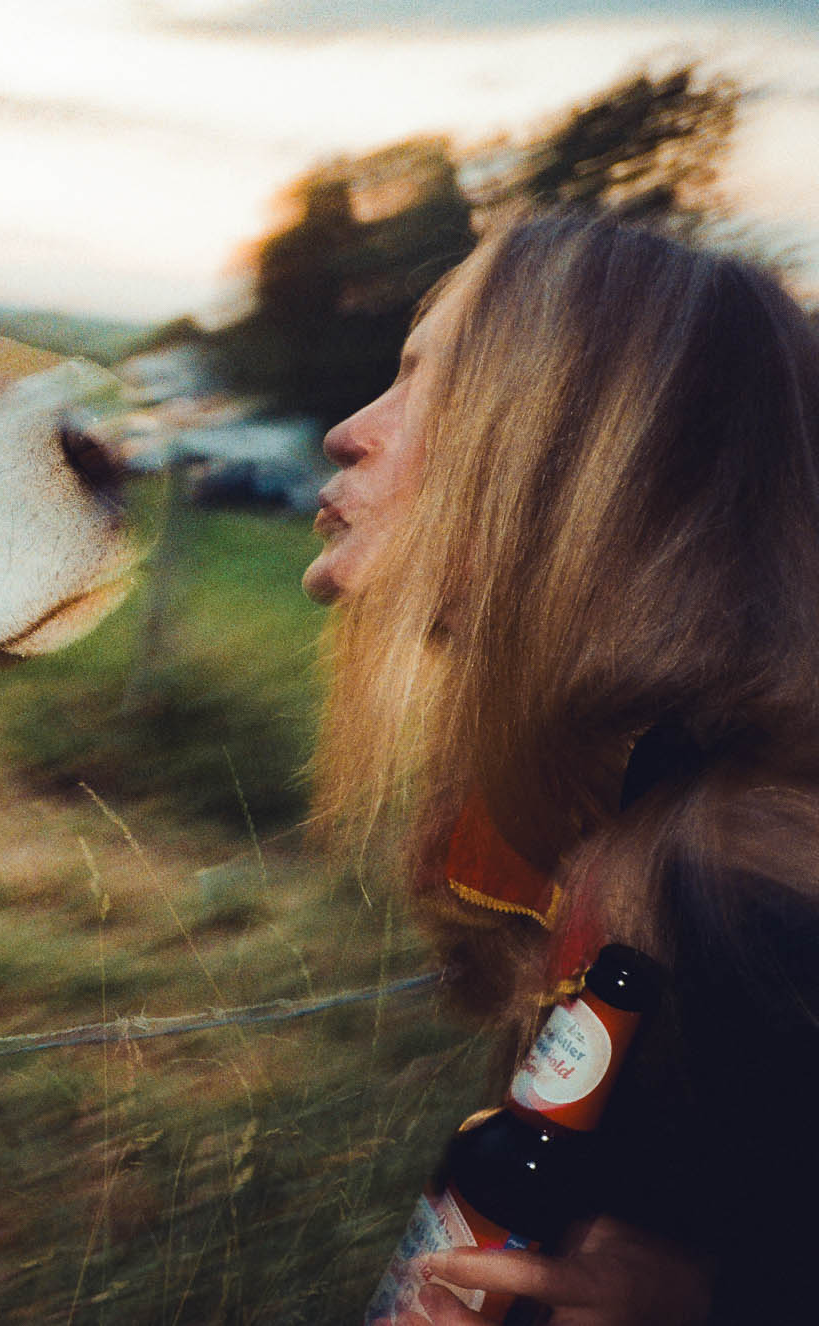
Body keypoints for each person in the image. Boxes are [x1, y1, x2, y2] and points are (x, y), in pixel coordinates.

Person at [303, 209, 819, 1324]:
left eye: (426, 383)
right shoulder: (613, 822)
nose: (348, 431)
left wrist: (727, 1302)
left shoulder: (754, 900)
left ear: (587, 454)